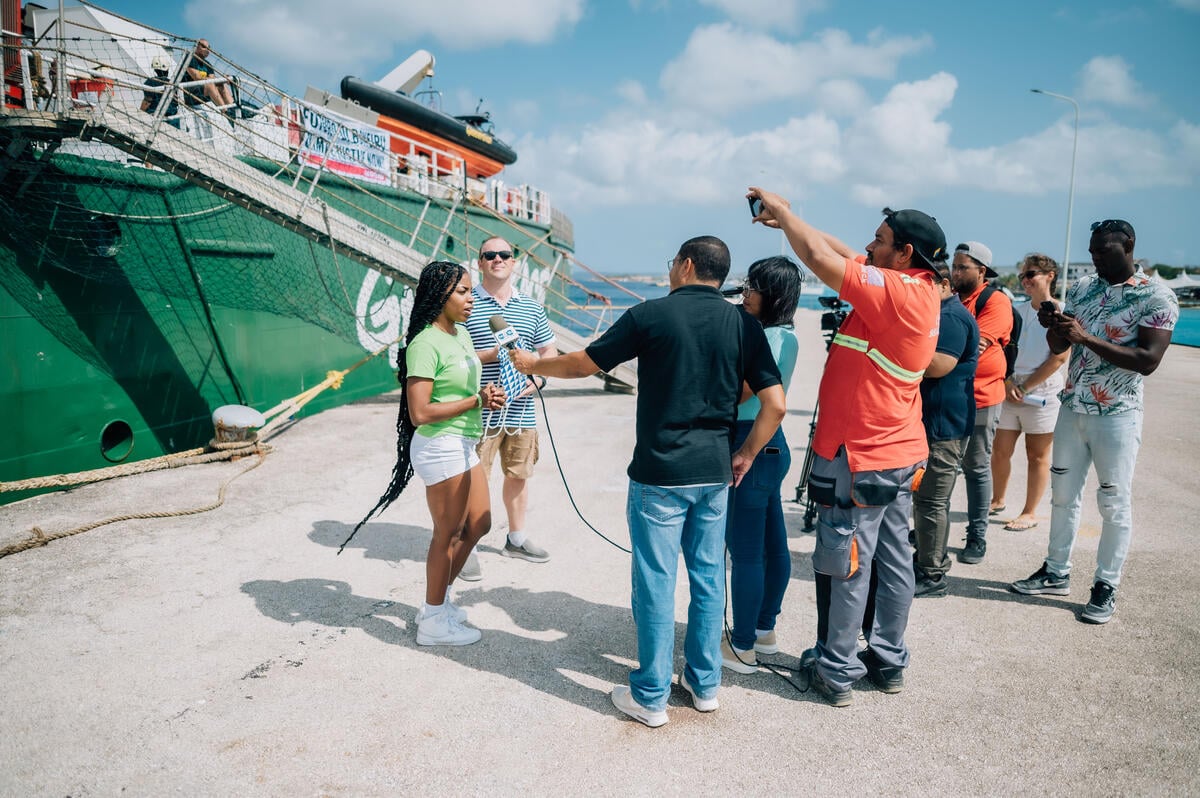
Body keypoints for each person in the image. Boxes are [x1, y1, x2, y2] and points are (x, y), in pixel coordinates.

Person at [510, 236, 786, 728]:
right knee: (707, 579)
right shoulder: (744, 324)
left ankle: (652, 696)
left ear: (684, 265)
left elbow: (584, 363)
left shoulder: (650, 315)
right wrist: (743, 454)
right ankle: (704, 687)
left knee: (656, 582)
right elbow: (776, 404)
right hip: (714, 473)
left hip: (661, 472)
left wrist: (533, 364)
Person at [748, 189, 942, 707]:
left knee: (846, 557)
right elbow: (836, 250)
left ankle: (836, 670)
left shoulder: (896, 294)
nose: (868, 246)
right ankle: (888, 659)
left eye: (880, 240)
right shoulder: (917, 288)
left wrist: (786, 214)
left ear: (904, 254)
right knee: (897, 558)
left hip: (861, 454)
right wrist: (792, 221)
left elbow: (817, 259)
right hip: (898, 451)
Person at [1010, 220, 1177, 624]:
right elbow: (1062, 345)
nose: (1096, 257)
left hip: (1117, 415)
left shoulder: (1157, 295)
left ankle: (1106, 585)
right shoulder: (1085, 288)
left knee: (1114, 503)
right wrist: (1057, 329)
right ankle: (1055, 571)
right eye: (1093, 250)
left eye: (1104, 250)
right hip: (1073, 406)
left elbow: (1148, 361)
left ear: (1129, 246)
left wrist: (1084, 338)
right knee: (1063, 497)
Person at [348, 261, 506, 646]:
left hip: (463, 442)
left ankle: (439, 599)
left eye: (472, 291)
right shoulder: (424, 343)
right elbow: (420, 413)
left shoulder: (461, 334)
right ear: (440, 296)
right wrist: (477, 400)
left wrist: (508, 356)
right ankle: (433, 622)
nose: (472, 298)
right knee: (447, 533)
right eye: (464, 292)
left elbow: (468, 361)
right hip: (439, 444)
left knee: (479, 525)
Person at [720, 256, 802, 674]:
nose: (745, 293)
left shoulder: (768, 337)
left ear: (772, 294)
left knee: (747, 551)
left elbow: (745, 391)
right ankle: (764, 629)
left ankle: (742, 644)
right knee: (772, 544)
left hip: (750, 439)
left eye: (752, 286)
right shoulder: (785, 334)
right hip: (772, 445)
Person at [461, 237, 557, 580]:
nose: (497, 259)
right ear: (480, 262)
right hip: (478, 410)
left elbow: (549, 354)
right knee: (474, 480)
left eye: (504, 255)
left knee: (518, 475)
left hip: (522, 412)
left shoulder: (531, 307)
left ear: (514, 262)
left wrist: (537, 383)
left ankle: (516, 539)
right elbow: (454, 357)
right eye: (490, 255)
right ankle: (467, 545)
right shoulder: (467, 305)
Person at [911, 262, 979, 597]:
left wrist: (896, 352)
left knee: (932, 501)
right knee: (923, 499)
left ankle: (932, 574)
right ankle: (925, 559)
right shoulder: (942, 312)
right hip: (934, 421)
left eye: (922, 284)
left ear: (943, 284)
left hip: (944, 425)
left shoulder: (950, 316)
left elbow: (939, 365)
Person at [989, 254, 1069, 531]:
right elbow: (1003, 348)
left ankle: (1029, 512)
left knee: (1036, 455)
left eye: (1031, 274)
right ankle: (997, 500)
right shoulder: (1016, 311)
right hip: (1011, 387)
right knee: (999, 451)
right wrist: (1010, 382)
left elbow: (1059, 358)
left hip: (1043, 392)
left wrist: (1025, 387)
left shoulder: (1063, 312)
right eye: (1023, 275)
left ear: (1050, 275)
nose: (1025, 280)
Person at [951, 241, 1013, 565]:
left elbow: (971, 348)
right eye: (954, 265)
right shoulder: (950, 298)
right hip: (946, 397)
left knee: (975, 468)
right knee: (939, 466)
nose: (955, 272)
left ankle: (977, 534)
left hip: (982, 397)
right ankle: (928, 529)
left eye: (963, 267)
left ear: (982, 271)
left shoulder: (995, 301)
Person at [184, 39, 235, 112]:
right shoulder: (189, 58)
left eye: (209, 48)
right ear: (196, 47)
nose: (207, 50)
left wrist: (223, 79)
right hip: (187, 93)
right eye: (204, 47)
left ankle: (233, 110)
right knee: (210, 84)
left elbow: (213, 79)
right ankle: (225, 112)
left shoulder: (207, 64)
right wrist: (214, 80)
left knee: (221, 85)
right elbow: (197, 77)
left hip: (201, 93)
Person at [139, 53, 179, 126]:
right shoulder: (173, 84)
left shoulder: (150, 82)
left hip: (155, 117)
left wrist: (139, 115)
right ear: (167, 70)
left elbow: (147, 102)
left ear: (155, 70)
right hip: (173, 120)